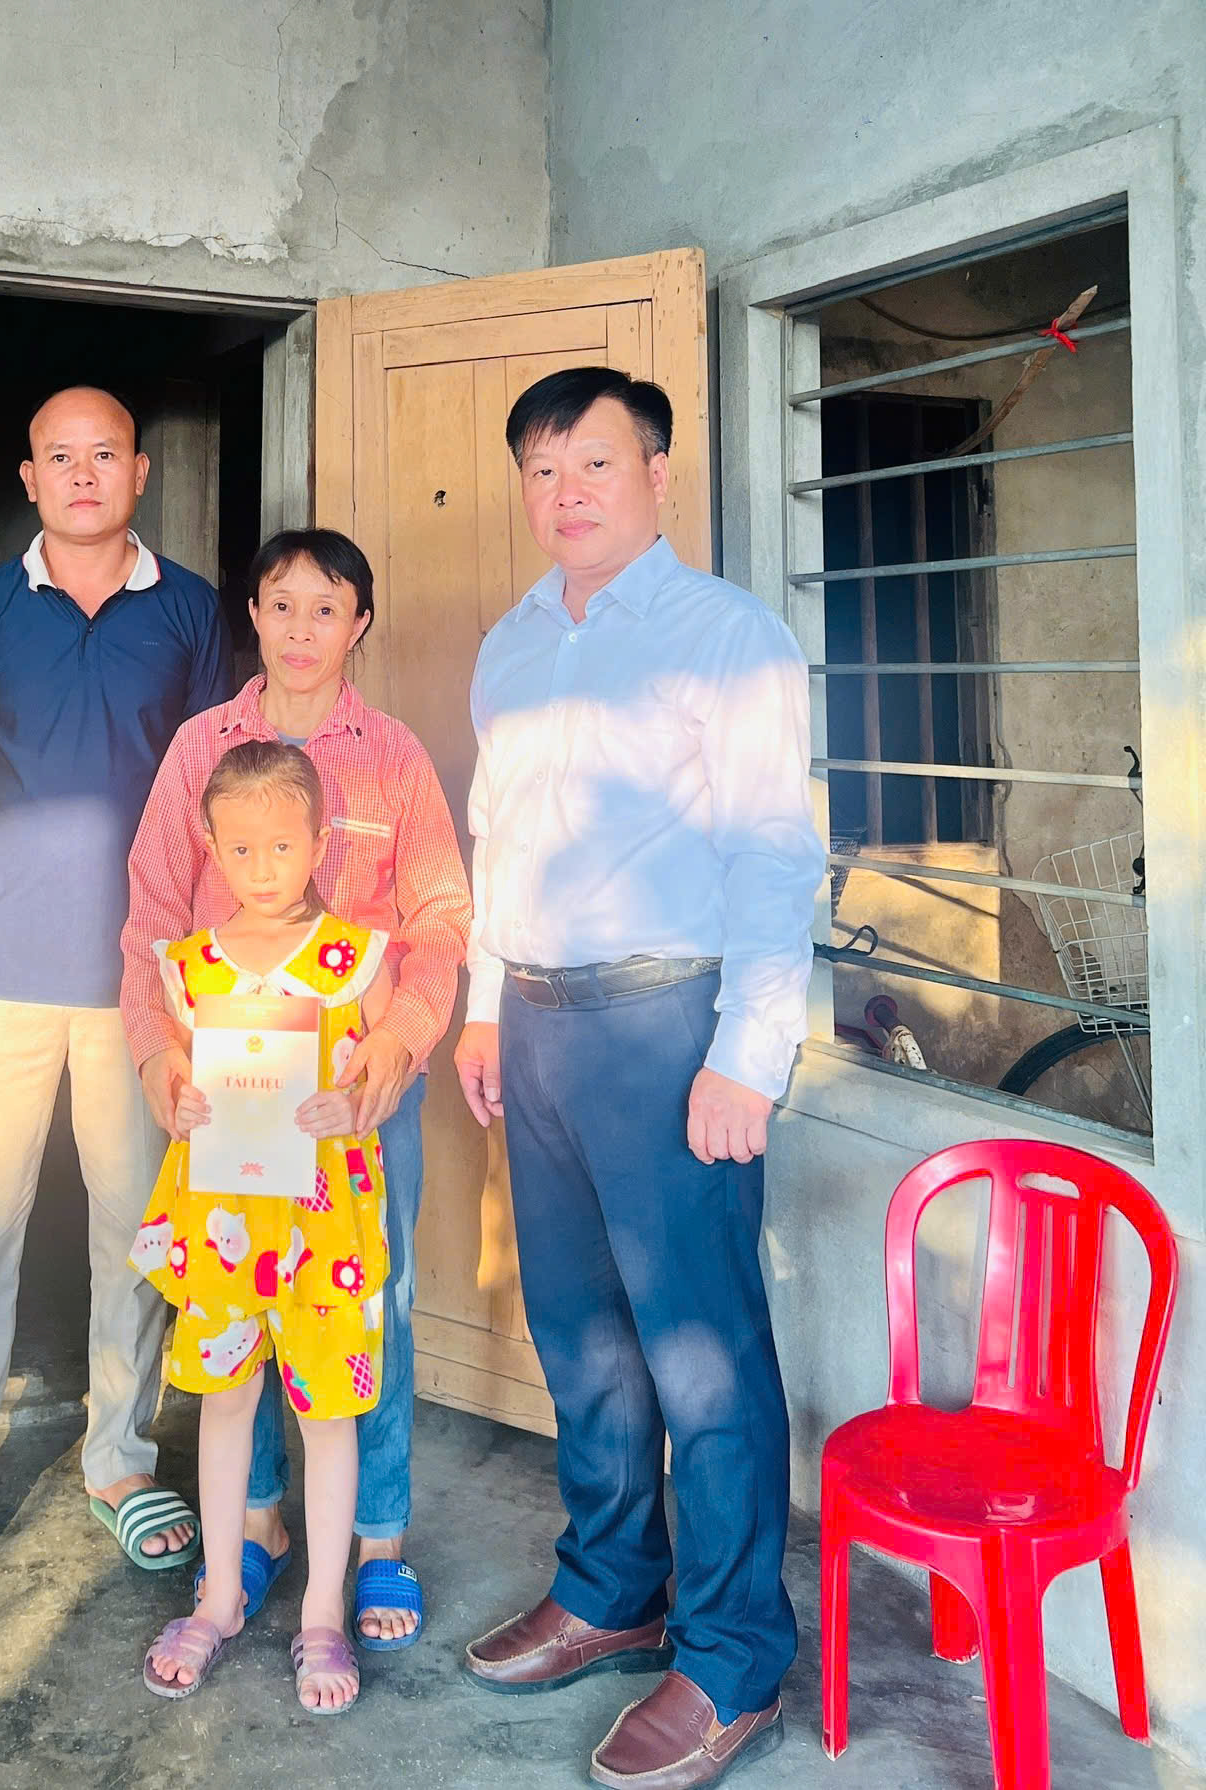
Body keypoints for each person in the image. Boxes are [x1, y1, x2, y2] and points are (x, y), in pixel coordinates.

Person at [454, 367, 821, 1788]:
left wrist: (748, 1054)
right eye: (542, 468)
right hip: (539, 1026)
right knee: (580, 1332)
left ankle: (731, 1658)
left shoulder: (728, 637)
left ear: (659, 474)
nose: (567, 492)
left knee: (702, 1349)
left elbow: (773, 854)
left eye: (595, 462)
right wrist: (484, 1010)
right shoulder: (511, 643)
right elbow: (496, 840)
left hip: (672, 1026)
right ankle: (611, 1590)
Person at [0, 386, 233, 1589]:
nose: (83, 474)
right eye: (58, 457)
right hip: (1, 968)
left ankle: (120, 1458)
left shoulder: (190, 609)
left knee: (136, 1225)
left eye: (104, 454)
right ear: (29, 478)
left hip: (145, 980)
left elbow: (213, 794)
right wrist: (1, 875)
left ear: (140, 472)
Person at [121, 527, 470, 1649]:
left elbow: (439, 919)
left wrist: (397, 1044)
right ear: (255, 617)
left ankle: (376, 1542)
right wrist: (157, 1056)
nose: (303, 629)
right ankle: (258, 1525)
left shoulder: (394, 756)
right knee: (238, 1307)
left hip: (356, 1098)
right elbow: (151, 914)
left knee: (370, 1310)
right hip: (230, 1098)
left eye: (328, 608)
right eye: (282, 606)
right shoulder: (200, 749)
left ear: (359, 622)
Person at [133, 742, 391, 1713]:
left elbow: (379, 1073)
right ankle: (220, 1595)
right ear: (211, 847)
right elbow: (177, 1074)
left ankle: (323, 1609)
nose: (263, 866)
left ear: (319, 842)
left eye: (282, 845)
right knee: (226, 1400)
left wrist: (352, 1101)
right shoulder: (190, 968)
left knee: (328, 1414)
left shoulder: (351, 957)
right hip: (225, 1227)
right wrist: (180, 1097)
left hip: (322, 1230)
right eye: (240, 848)